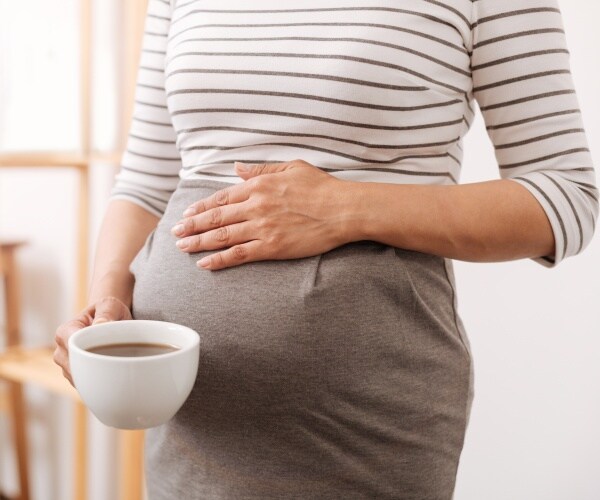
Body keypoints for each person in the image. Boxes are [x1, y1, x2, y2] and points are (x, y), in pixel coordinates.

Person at [54, 0, 597, 498]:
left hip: (361, 421)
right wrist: (106, 301)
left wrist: (344, 207)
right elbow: (147, 182)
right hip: (191, 421)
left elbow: (567, 197)